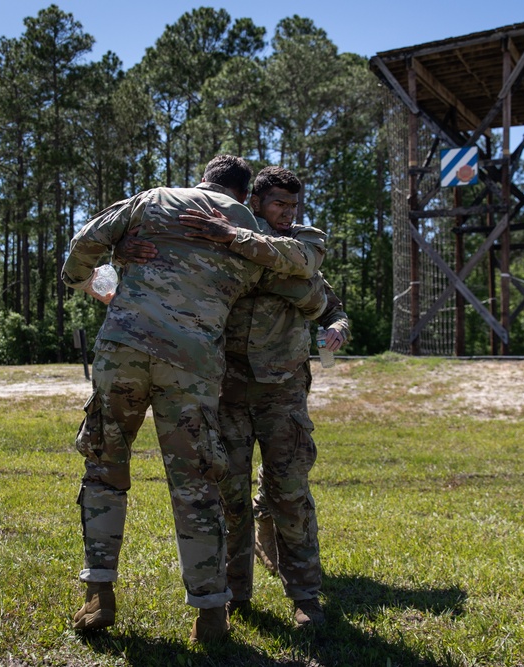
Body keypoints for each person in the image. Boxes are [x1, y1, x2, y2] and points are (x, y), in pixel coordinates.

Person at [62, 155, 328, 643]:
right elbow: (297, 285)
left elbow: (82, 246)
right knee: (196, 486)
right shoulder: (244, 225)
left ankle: (98, 594)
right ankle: (210, 614)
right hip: (192, 366)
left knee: (103, 470)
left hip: (124, 349)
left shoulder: (154, 200)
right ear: (246, 195)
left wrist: (104, 269)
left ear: (203, 181)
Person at [117, 165, 349, 628]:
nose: (288, 213)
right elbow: (170, 266)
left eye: (293, 205)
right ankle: (234, 593)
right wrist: (123, 250)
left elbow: (312, 281)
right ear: (255, 202)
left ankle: (305, 596)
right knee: (231, 495)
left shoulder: (300, 236)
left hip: (283, 389)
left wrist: (333, 321)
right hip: (226, 388)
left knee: (290, 492)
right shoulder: (218, 231)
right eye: (278, 204)